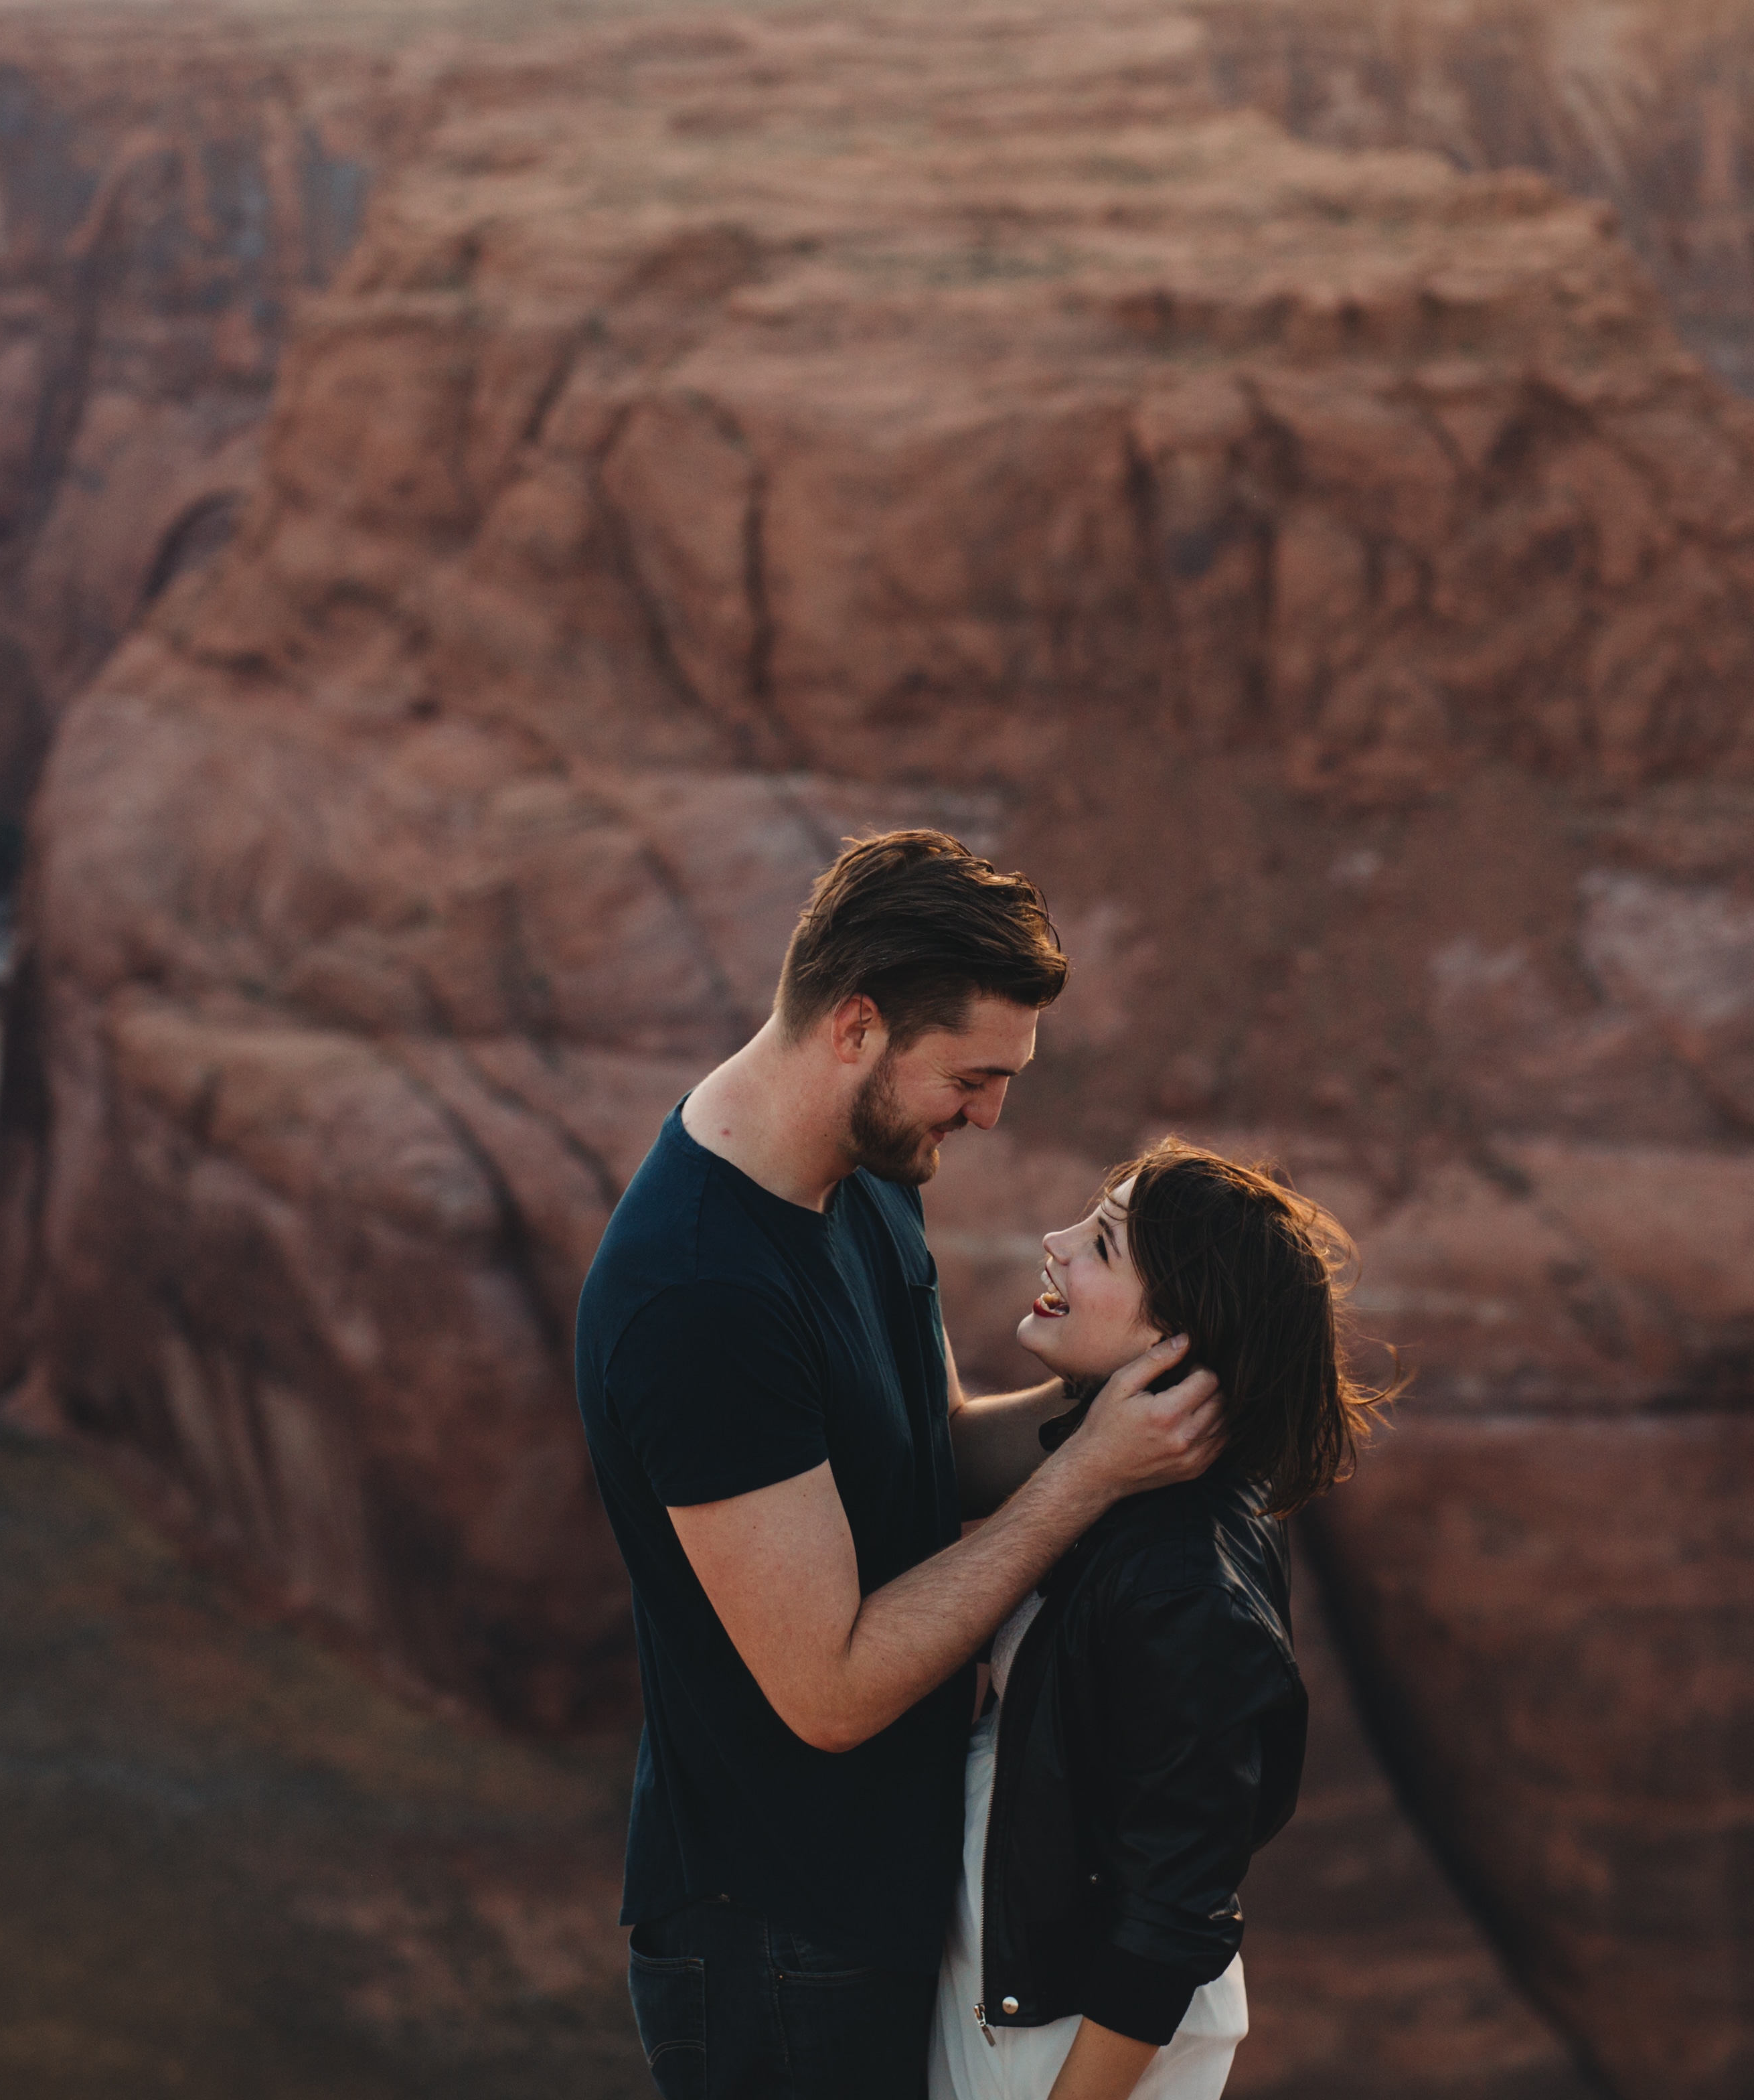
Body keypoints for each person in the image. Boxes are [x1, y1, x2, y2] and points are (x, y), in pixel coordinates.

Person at [575, 832, 1228, 2100]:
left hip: (886, 1882)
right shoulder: (701, 1295)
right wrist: (1087, 1478)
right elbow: (831, 1688)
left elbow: (937, 1442)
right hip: (776, 1932)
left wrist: (1119, 1400)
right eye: (974, 1077)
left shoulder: (864, 1172)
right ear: (858, 1026)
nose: (989, 1115)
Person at [933, 1140, 1390, 2100]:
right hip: (1028, 2009)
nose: (1055, 1244)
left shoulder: (1183, 1578)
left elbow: (1179, 1908)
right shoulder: (1136, 1495)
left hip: (1071, 2049)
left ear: (1177, 1337)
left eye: (1102, 1246)